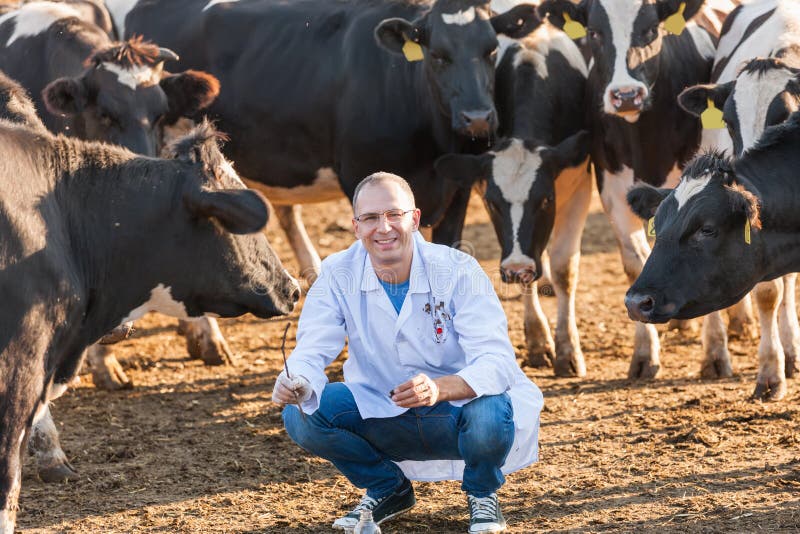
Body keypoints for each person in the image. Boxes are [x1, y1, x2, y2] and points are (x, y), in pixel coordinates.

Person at [271, 172, 543, 533]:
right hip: (383, 410)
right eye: (370, 218)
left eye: (393, 215)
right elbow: (313, 347)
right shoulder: (337, 273)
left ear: (414, 219)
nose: (383, 228)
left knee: (492, 405)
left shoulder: (460, 270)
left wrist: (440, 388)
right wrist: (299, 380)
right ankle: (387, 487)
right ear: (356, 226)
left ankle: (482, 493)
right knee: (301, 414)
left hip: (459, 416)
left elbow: (497, 362)